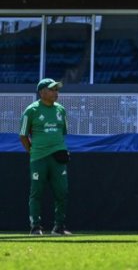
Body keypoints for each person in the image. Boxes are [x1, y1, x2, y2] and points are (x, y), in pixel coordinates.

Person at [19, 78, 72, 236]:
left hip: (58, 156)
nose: (56, 92)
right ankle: (35, 227)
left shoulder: (61, 110)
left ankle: (59, 227)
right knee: (36, 192)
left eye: (57, 89)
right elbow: (23, 135)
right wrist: (33, 152)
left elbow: (63, 132)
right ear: (42, 92)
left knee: (62, 191)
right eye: (53, 89)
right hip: (39, 158)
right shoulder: (31, 111)